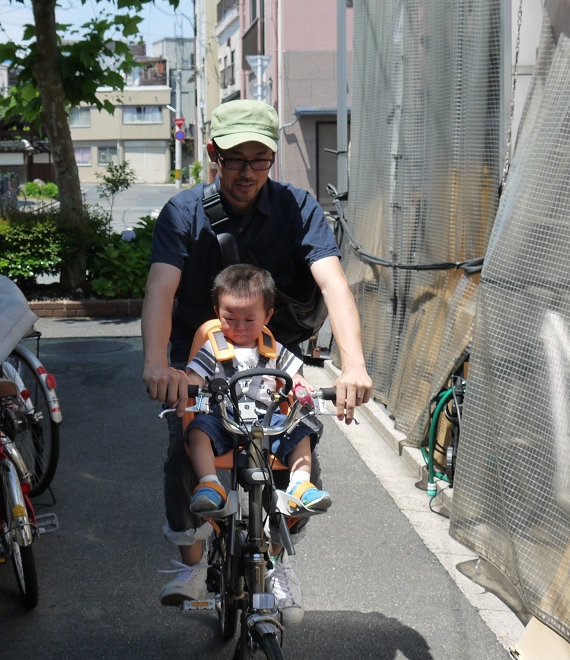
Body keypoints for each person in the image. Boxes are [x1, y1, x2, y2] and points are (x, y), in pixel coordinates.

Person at [143, 99, 372, 625]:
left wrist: (353, 364)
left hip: (275, 353)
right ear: (212, 155)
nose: (247, 172)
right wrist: (158, 364)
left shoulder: (298, 207)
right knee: (185, 444)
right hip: (198, 354)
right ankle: (191, 564)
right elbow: (161, 287)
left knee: (297, 442)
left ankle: (274, 562)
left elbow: (333, 280)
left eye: (260, 159)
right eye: (234, 159)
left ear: (273, 157)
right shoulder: (183, 212)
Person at [186, 264, 331, 518]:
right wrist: (187, 387)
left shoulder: (273, 348)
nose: (239, 326)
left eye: (249, 320)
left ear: (267, 316)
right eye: (230, 318)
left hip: (267, 416)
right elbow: (194, 378)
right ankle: (209, 484)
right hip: (223, 416)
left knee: (303, 429)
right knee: (198, 430)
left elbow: (293, 376)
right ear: (217, 313)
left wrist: (299, 385)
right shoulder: (212, 348)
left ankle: (300, 484)